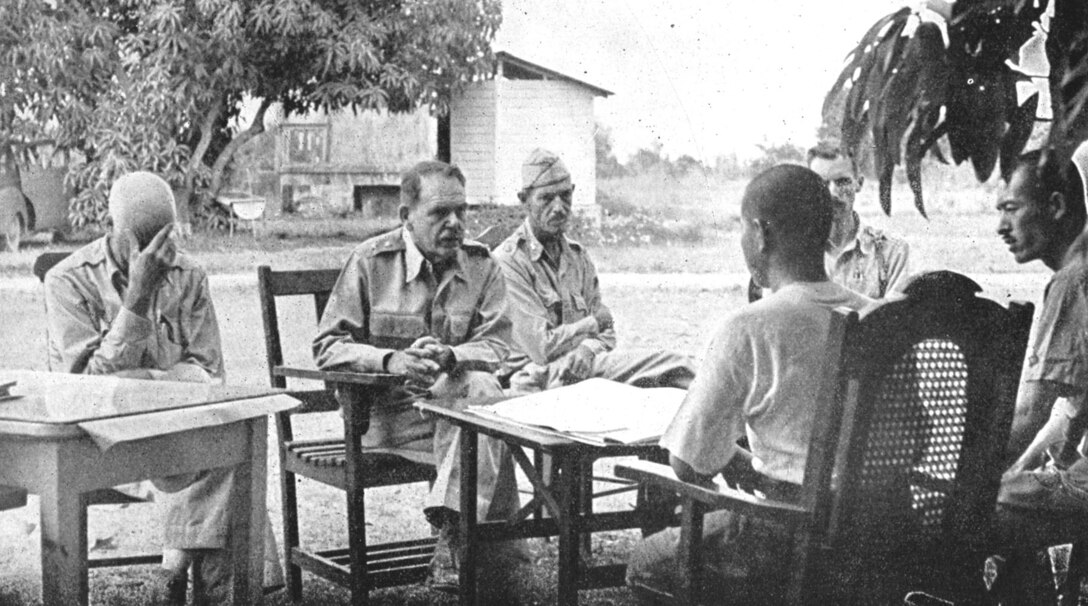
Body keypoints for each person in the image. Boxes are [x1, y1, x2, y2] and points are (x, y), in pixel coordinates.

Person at [625, 164, 873, 603]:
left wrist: (741, 463)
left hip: (785, 541)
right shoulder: (876, 317)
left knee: (646, 561)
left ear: (760, 233)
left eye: (742, 228)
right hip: (874, 538)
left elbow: (688, 464)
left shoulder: (749, 327)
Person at [44, 171, 279, 605]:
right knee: (218, 460)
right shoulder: (67, 281)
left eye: (166, 237)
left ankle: (178, 570)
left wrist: (137, 382)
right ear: (110, 227)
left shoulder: (189, 275)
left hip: (175, 430)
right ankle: (197, 577)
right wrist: (136, 298)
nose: (159, 252)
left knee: (227, 444)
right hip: (104, 441)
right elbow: (85, 389)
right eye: (143, 240)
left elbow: (208, 373)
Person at [312, 160, 523, 593]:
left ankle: (453, 539)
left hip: (457, 413)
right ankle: (482, 556)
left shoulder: (482, 267)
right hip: (386, 420)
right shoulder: (371, 262)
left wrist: (452, 355)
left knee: (482, 392)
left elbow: (500, 345)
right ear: (406, 216)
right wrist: (391, 361)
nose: (455, 223)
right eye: (440, 213)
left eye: (461, 211)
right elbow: (328, 347)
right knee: (488, 426)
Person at [494, 148, 695, 392]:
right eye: (546, 198)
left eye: (565, 196)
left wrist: (587, 349)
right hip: (535, 377)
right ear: (524, 200)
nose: (559, 207)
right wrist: (592, 323)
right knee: (672, 365)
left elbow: (607, 332)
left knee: (666, 383)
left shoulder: (577, 257)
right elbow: (541, 348)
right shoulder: (509, 262)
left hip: (580, 367)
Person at [988, 146, 1088, 603]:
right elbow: (1064, 413)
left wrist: (964, 469)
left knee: (972, 508)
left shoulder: (1073, 280)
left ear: (1056, 206)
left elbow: (1031, 412)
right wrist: (1016, 466)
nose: (1001, 226)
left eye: (1011, 208)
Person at [807, 143, 911, 299]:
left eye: (842, 181)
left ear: (859, 183)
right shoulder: (793, 251)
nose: (832, 192)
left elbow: (896, 312)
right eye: (822, 183)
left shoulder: (891, 251)